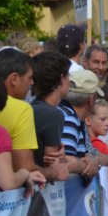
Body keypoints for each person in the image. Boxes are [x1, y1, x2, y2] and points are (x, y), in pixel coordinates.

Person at [0, 48, 39, 171]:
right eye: (29, 77)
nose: (32, 83)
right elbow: (25, 168)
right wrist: (55, 171)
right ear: (14, 79)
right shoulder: (22, 109)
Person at [30, 51, 71, 179]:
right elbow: (53, 165)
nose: (70, 81)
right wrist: (62, 160)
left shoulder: (30, 107)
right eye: (68, 75)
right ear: (61, 78)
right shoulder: (53, 115)